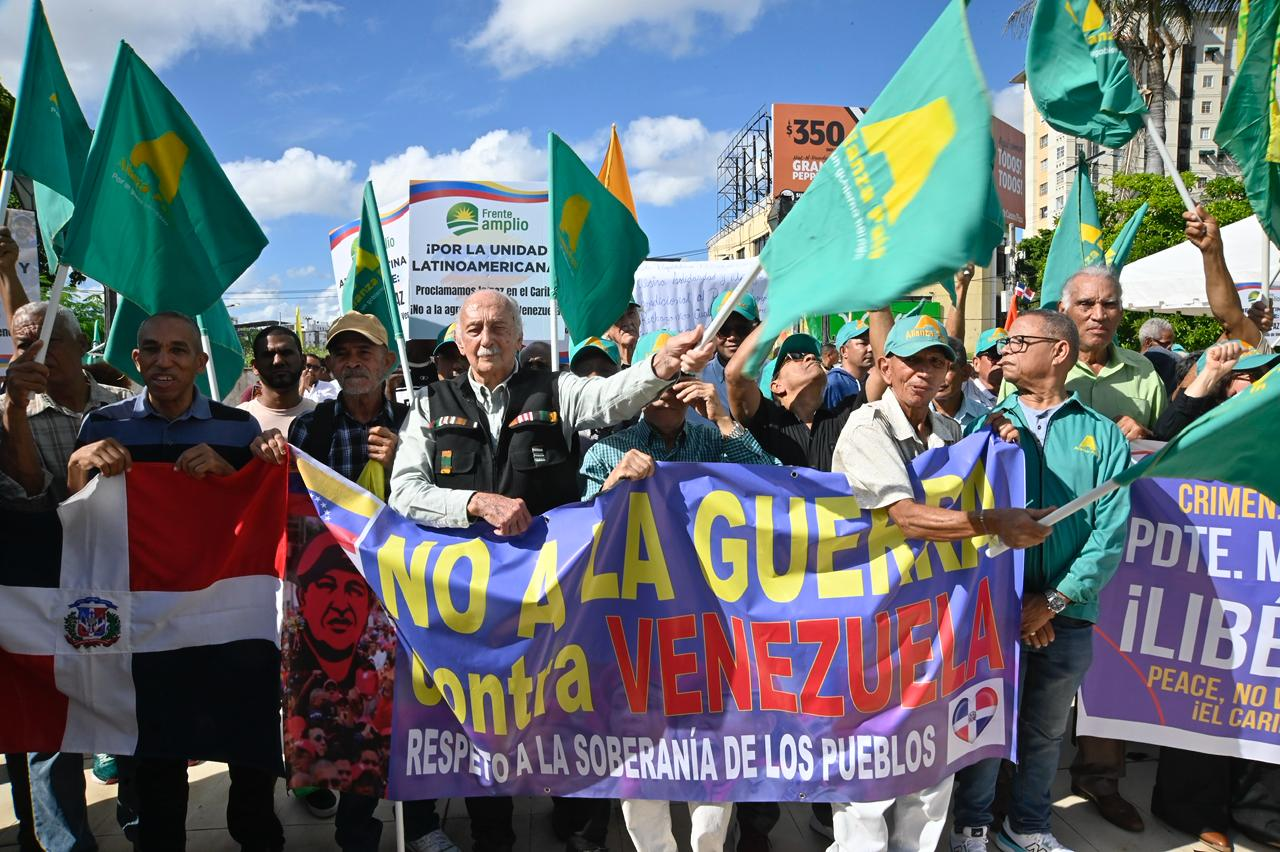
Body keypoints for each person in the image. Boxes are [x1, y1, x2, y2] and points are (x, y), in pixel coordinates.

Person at [390, 289, 716, 852]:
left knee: (563, 703)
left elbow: (612, 398)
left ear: (519, 337)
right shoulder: (428, 404)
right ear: (459, 339)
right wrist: (472, 502)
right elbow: (404, 491)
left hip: (553, 592)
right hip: (470, 597)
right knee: (480, 709)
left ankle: (574, 820)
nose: (486, 338)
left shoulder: (556, 389)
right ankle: (494, 831)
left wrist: (661, 366)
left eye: (498, 327)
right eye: (474, 329)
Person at [827, 313, 1053, 852]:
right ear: (886, 366)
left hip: (935, 625)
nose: (925, 372)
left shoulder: (953, 433)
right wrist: (996, 520)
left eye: (936, 361)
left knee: (932, 767)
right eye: (913, 361)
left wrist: (996, 443)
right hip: (874, 624)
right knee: (869, 777)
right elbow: (906, 516)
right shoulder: (867, 427)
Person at [70, 311, 283, 852]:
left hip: (224, 618)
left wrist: (236, 471)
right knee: (156, 760)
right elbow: (72, 515)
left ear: (200, 361)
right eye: (152, 349)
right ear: (134, 358)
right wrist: (80, 466)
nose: (164, 361)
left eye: (179, 350)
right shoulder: (101, 425)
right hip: (145, 624)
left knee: (248, 750)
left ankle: (258, 837)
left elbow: (255, 503)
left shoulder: (237, 426)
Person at [578, 329, 777, 851]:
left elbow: (778, 489)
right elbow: (579, 536)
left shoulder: (714, 439)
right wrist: (612, 484)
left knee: (716, 746)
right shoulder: (610, 449)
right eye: (661, 377)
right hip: (637, 627)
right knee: (641, 756)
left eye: (681, 378)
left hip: (714, 622)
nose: (668, 390)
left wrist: (725, 417)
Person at [951, 310, 1131, 852]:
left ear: (1058, 351)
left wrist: (1050, 603)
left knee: (1046, 733)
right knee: (982, 727)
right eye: (1003, 341)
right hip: (990, 613)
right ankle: (971, 826)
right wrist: (1014, 603)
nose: (1004, 349)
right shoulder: (977, 426)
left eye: (1019, 340)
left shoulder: (1101, 435)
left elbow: (1110, 532)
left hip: (1067, 615)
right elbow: (958, 516)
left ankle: (1028, 825)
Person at [283, 312, 455, 852]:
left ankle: (422, 822)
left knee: (416, 707)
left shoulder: (419, 424)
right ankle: (357, 827)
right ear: (330, 363)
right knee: (353, 712)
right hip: (341, 597)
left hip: (406, 593)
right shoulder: (311, 427)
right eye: (343, 353)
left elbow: (436, 506)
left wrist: (404, 463)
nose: (353, 362)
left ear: (386, 362)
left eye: (365, 353)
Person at [1032, 267, 1166, 830]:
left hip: (1120, 548)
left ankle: (1100, 779)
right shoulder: (1033, 370)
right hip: (1044, 560)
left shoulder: (1146, 376)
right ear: (1065, 313)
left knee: (1112, 668)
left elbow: (1167, 456)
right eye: (1086, 303)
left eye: (1110, 304)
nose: (1099, 313)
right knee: (1036, 696)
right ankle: (1016, 789)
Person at [0, 300, 129, 852]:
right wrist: (14, 407)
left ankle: (140, 820)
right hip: (43, 587)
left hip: (126, 581)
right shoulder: (9, 411)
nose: (39, 353)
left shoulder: (126, 406)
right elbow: (29, 495)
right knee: (48, 729)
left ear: (82, 347)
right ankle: (64, 843)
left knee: (126, 708)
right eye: (25, 342)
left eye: (50, 339)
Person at [1150, 341, 1280, 852]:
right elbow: (1157, 451)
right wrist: (1203, 383)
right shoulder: (1206, 426)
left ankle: (1261, 813)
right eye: (1240, 379)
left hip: (1263, 596)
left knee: (1262, 695)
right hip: (1201, 591)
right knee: (1202, 697)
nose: (1250, 387)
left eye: (1262, 378)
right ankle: (1190, 807)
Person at [238, 325, 314, 434]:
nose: (278, 361)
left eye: (286, 353)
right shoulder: (238, 420)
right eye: (268, 354)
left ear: (303, 362)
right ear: (255, 367)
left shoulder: (322, 416)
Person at [702, 290, 761, 410]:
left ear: (757, 329)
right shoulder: (699, 378)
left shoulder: (773, 374)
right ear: (713, 331)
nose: (732, 337)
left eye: (742, 328)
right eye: (724, 328)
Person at [930, 336, 989, 429]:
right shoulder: (912, 416)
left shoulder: (984, 420)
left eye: (947, 369)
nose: (938, 378)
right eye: (933, 369)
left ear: (965, 373)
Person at [823, 317, 872, 409]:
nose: (871, 349)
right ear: (844, 351)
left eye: (872, 343)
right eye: (863, 343)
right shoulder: (833, 383)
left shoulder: (871, 381)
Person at [968, 328, 1006, 410]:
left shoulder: (1017, 396)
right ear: (976, 363)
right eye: (994, 355)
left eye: (1007, 354)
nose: (1001, 361)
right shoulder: (966, 391)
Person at [604, 299, 642, 366]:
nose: (627, 322)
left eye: (631, 313)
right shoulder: (606, 368)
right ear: (606, 330)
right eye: (618, 317)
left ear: (639, 319)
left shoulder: (653, 360)